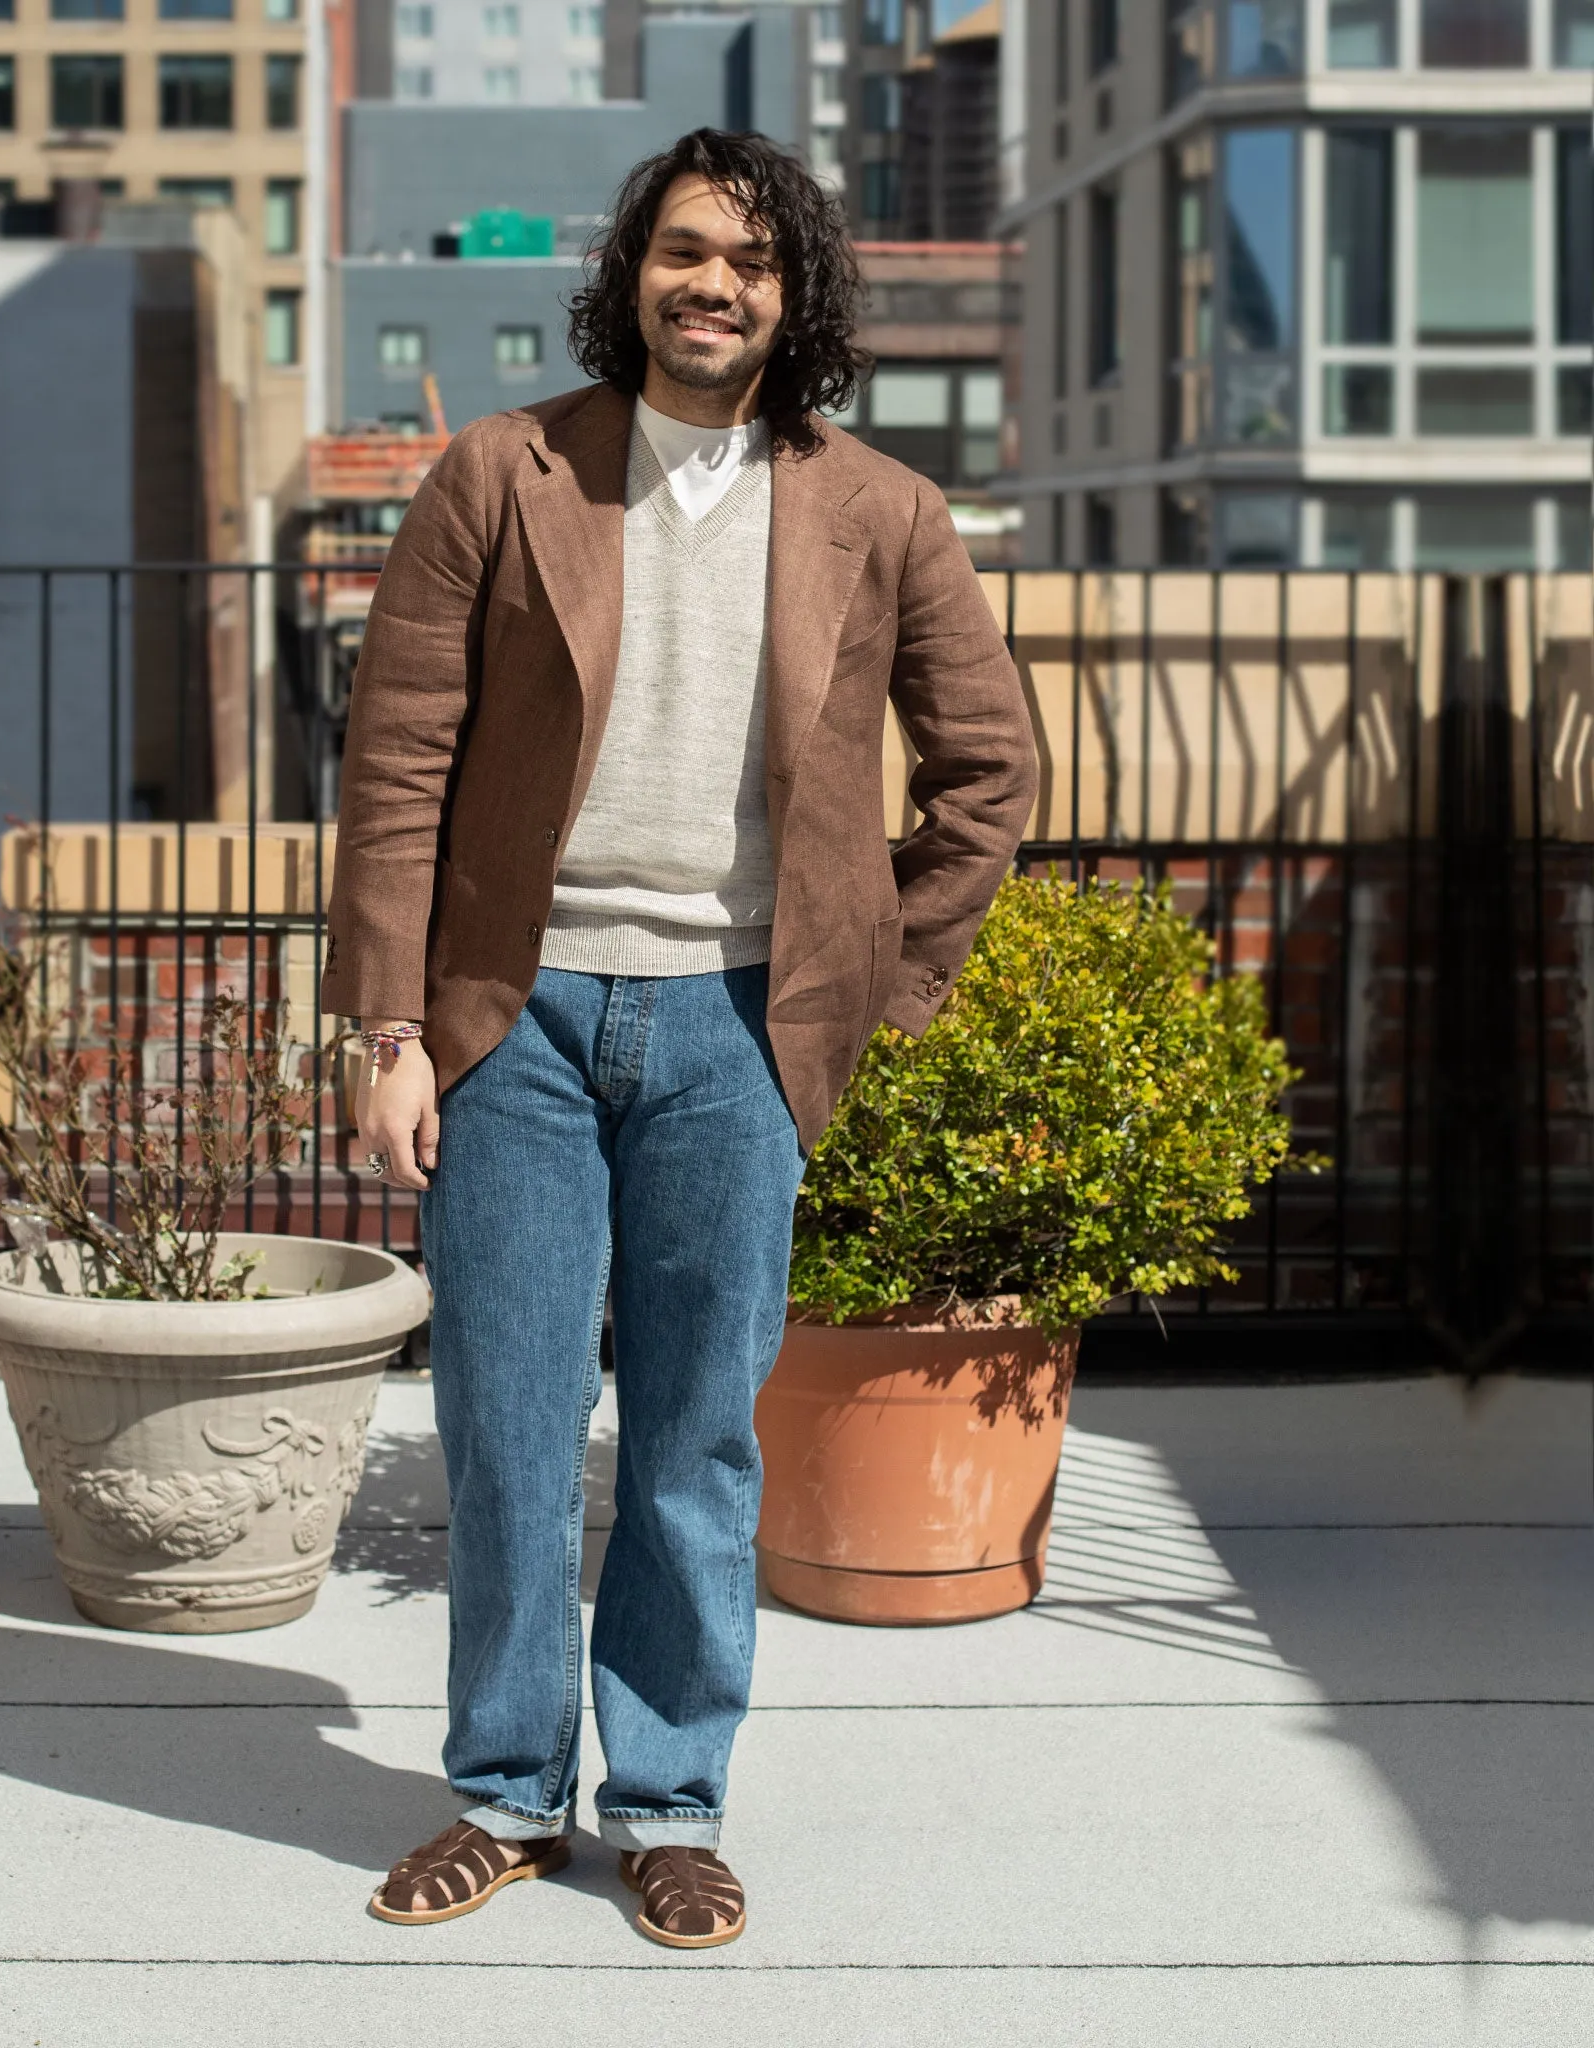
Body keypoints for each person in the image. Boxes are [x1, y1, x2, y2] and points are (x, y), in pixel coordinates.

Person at [321, 127, 1037, 1950]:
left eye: (754, 261)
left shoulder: (877, 509)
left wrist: (878, 991)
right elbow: (399, 764)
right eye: (686, 249)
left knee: (698, 1443)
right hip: (520, 1023)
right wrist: (389, 1024)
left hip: (737, 1030)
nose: (715, 284)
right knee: (502, 1426)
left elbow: (989, 773)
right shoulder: (503, 473)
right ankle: (501, 1796)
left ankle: (665, 1803)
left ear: (795, 299)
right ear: (632, 269)